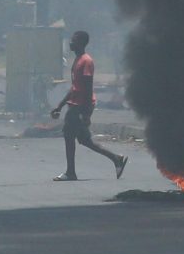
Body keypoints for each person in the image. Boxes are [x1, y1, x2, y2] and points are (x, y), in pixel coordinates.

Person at [50, 30, 127, 181]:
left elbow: (88, 87)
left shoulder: (86, 61)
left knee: (68, 135)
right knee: (85, 140)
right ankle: (116, 159)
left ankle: (70, 172)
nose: (71, 43)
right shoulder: (77, 60)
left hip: (80, 106)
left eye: (74, 40)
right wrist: (60, 105)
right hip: (76, 104)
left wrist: (86, 113)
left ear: (81, 43)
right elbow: (74, 88)